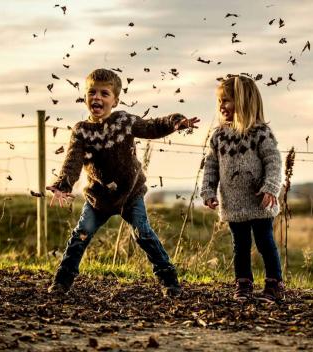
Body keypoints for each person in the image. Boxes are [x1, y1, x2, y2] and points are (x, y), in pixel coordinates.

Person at [47, 68, 199, 297]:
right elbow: (72, 160)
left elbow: (151, 126)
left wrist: (175, 122)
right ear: (85, 97)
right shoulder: (81, 131)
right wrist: (63, 184)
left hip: (130, 193)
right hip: (98, 197)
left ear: (115, 100)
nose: (97, 97)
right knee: (82, 233)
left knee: (143, 233)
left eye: (104, 93)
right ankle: (62, 281)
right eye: (92, 92)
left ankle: (169, 280)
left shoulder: (124, 121)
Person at [200, 74, 284, 301]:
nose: (222, 106)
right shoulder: (219, 136)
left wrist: (271, 187)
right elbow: (211, 165)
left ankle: (274, 283)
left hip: (260, 200)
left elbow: (273, 162)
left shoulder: (260, 133)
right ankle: (243, 283)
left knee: (265, 243)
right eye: (220, 101)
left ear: (244, 101)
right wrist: (208, 191)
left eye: (227, 100)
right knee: (241, 246)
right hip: (233, 203)